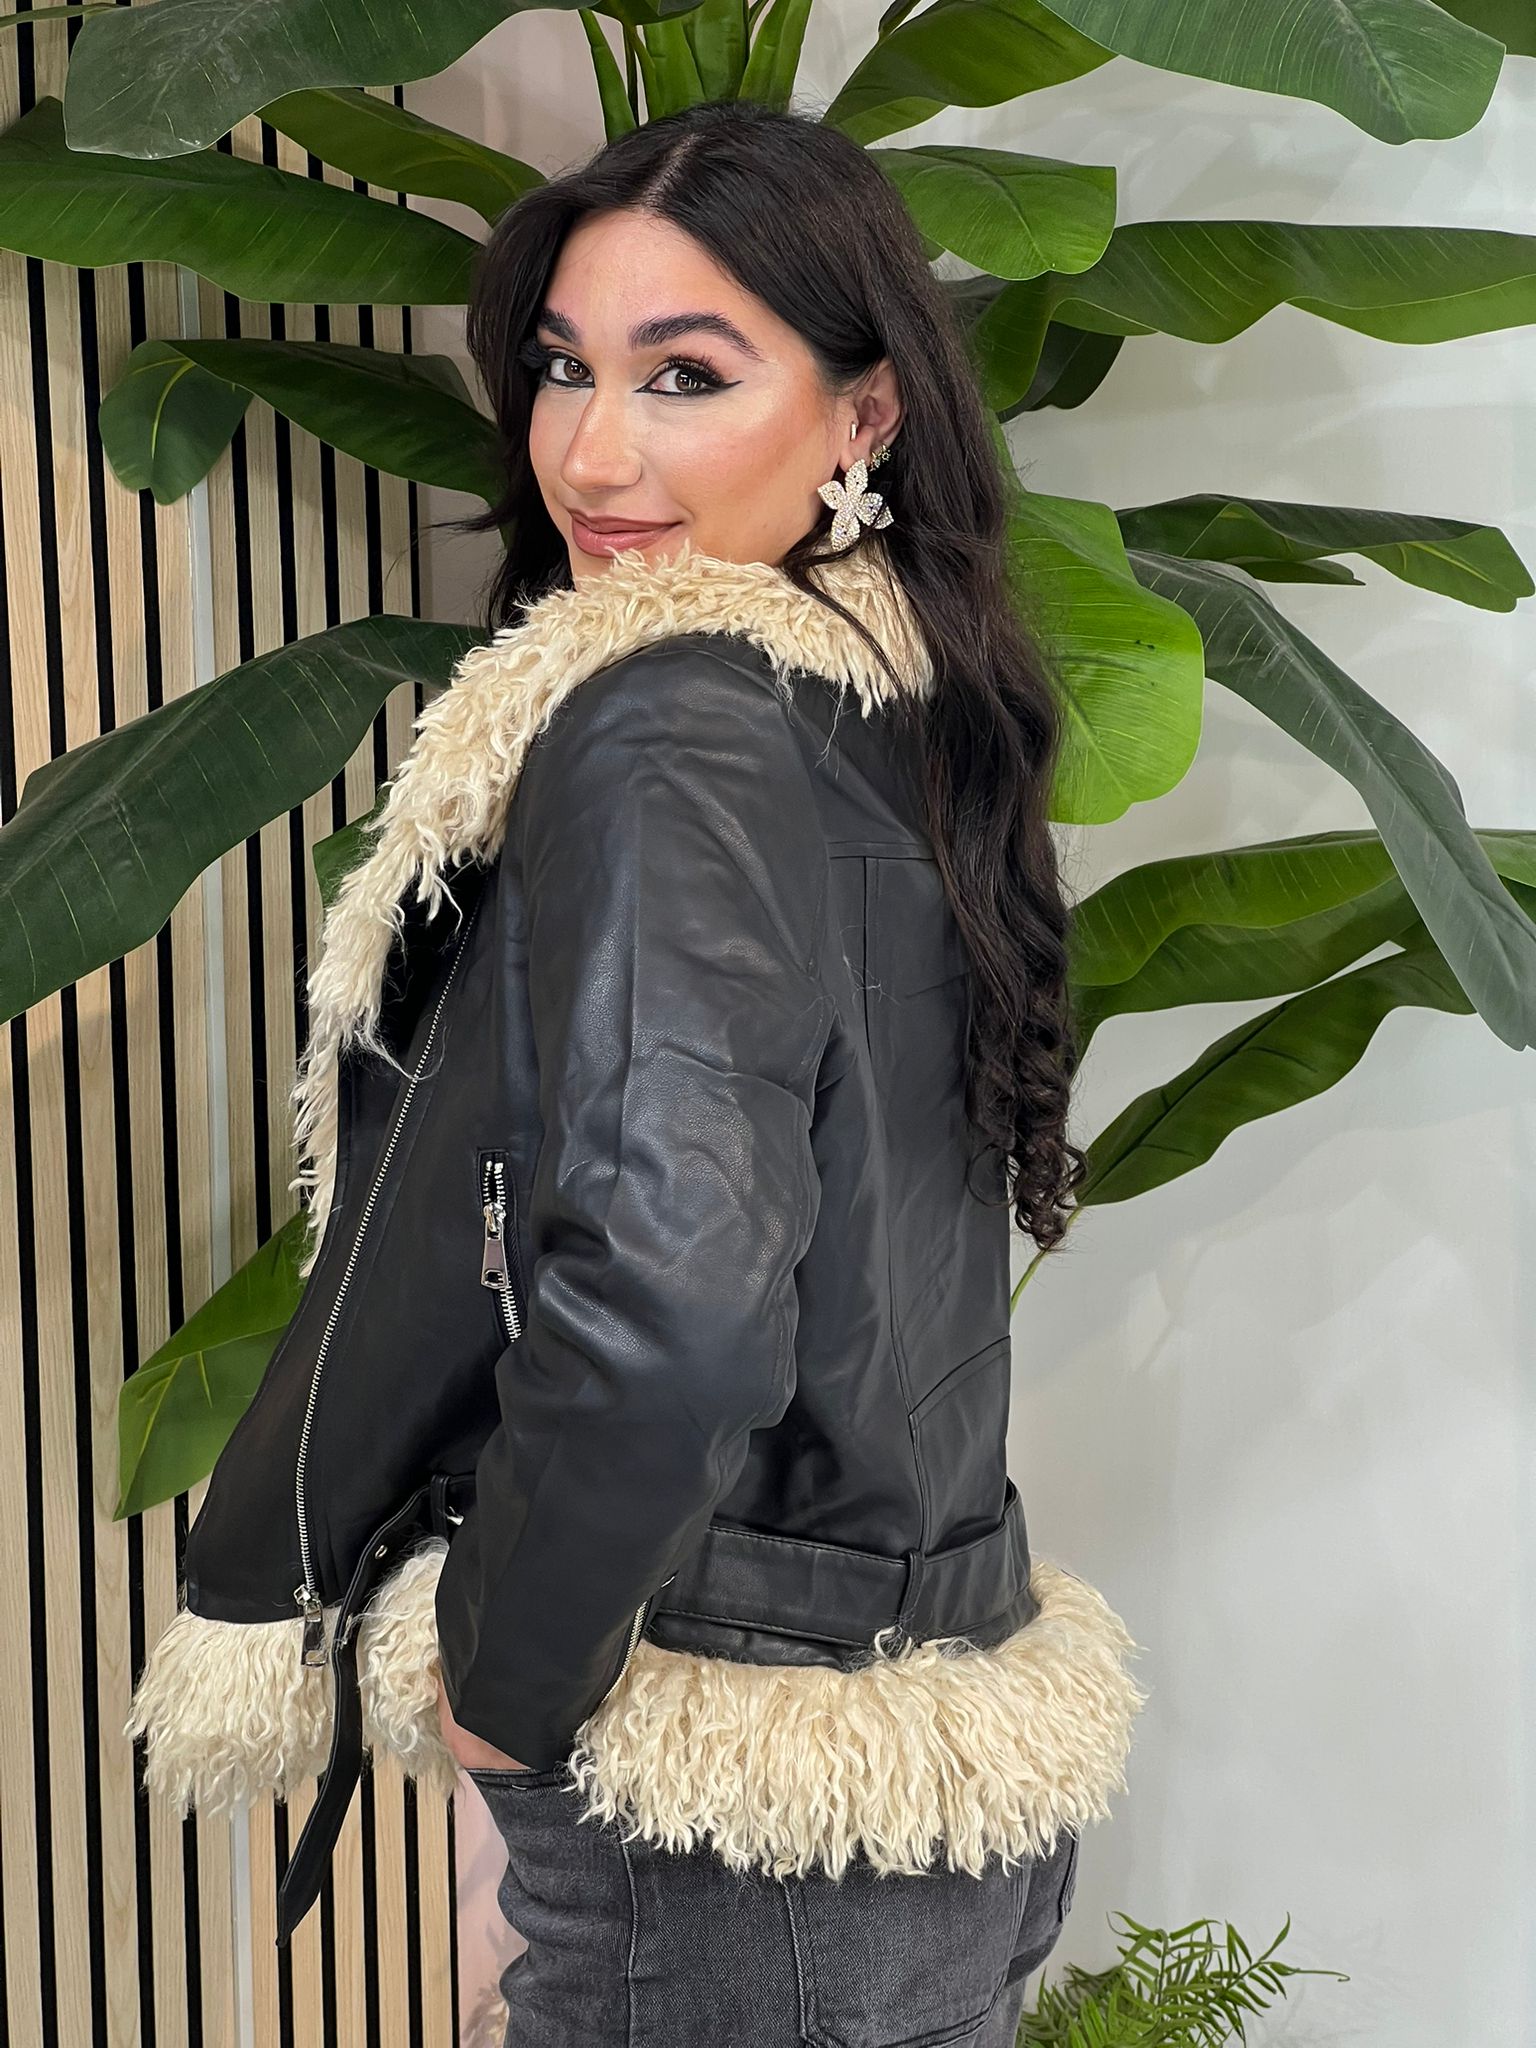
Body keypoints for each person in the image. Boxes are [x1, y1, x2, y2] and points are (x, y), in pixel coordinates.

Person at [126, 98, 1147, 2045]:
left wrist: (508, 1683)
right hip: (927, 1774)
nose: (593, 453)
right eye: (562, 368)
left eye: (687, 375)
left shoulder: (670, 720)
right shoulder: (892, 710)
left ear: (864, 413)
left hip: (733, 1838)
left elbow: (674, 1300)